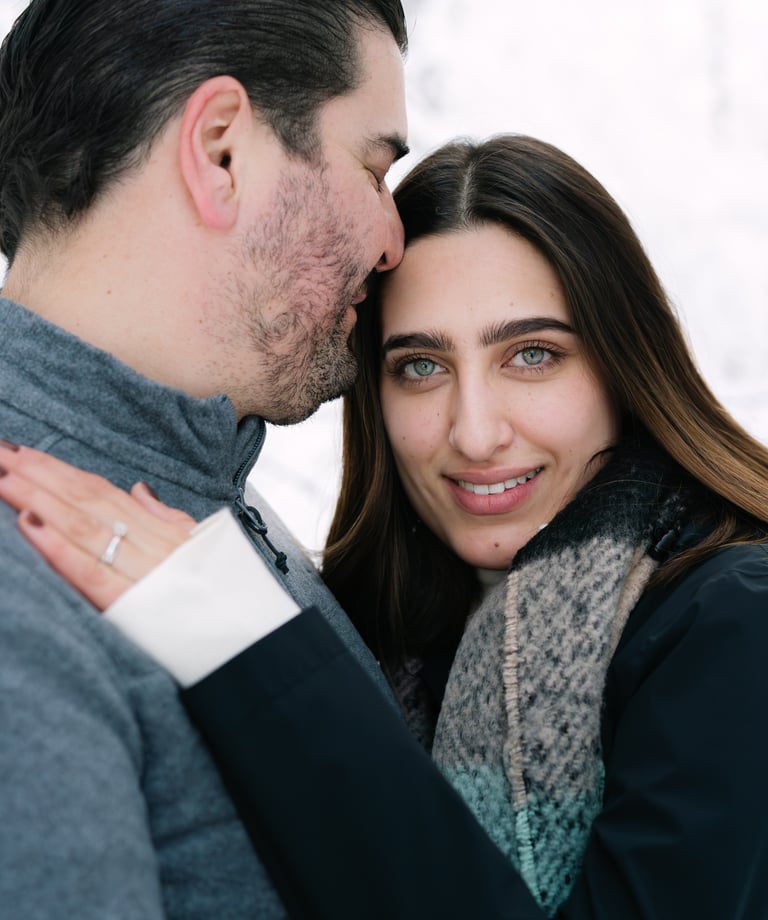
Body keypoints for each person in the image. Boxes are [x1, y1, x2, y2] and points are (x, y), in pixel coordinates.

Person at [4, 133, 768, 918]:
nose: (474, 433)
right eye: (421, 367)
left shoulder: (733, 621)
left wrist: (247, 649)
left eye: (533, 355)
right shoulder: (381, 628)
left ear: (624, 366)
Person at [0, 0, 429, 916]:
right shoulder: (21, 592)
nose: (394, 242)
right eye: (375, 167)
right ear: (223, 150)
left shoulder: (215, 490)